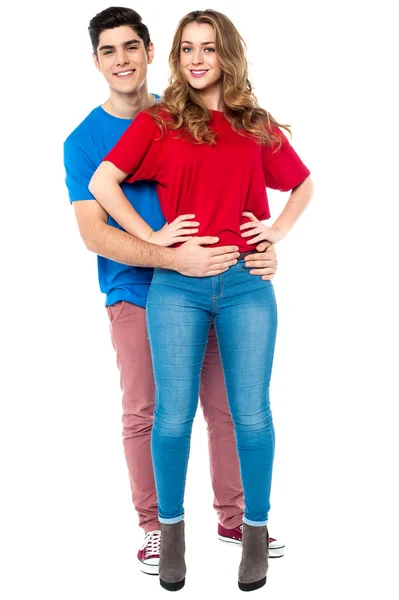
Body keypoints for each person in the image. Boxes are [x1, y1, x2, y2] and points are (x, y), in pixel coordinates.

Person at [89, 8, 313, 592]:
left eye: (207, 49)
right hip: (176, 289)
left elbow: (303, 182)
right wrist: (153, 238)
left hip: (245, 285)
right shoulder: (162, 121)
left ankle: (253, 533)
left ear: (226, 55)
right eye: (186, 48)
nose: (195, 59)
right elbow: (101, 183)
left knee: (250, 414)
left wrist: (278, 231)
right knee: (171, 415)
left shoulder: (255, 123)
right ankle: (171, 538)